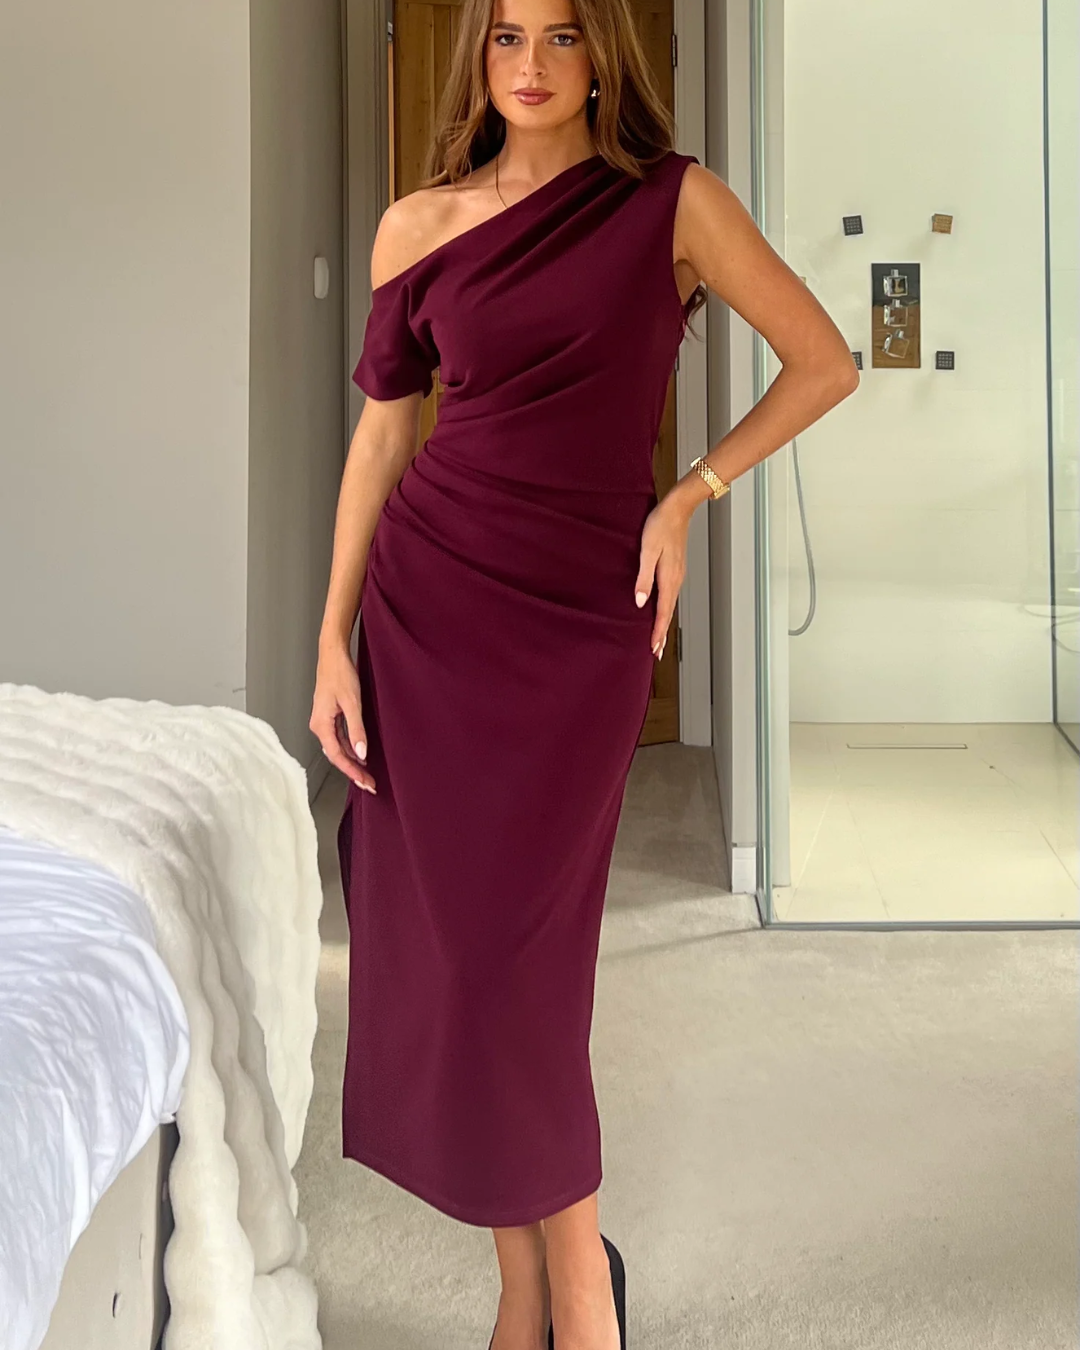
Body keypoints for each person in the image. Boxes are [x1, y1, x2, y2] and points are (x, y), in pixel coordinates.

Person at [309, 0, 858, 1342]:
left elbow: (825, 362)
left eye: (562, 36)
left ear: (604, 55)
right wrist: (330, 638)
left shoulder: (672, 204)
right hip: (428, 610)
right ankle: (546, 1285)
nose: (534, 64)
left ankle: (569, 1292)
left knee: (522, 964)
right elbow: (381, 442)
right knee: (459, 958)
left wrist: (691, 493)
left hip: (582, 621)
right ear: (479, 56)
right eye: (508, 37)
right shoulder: (417, 226)